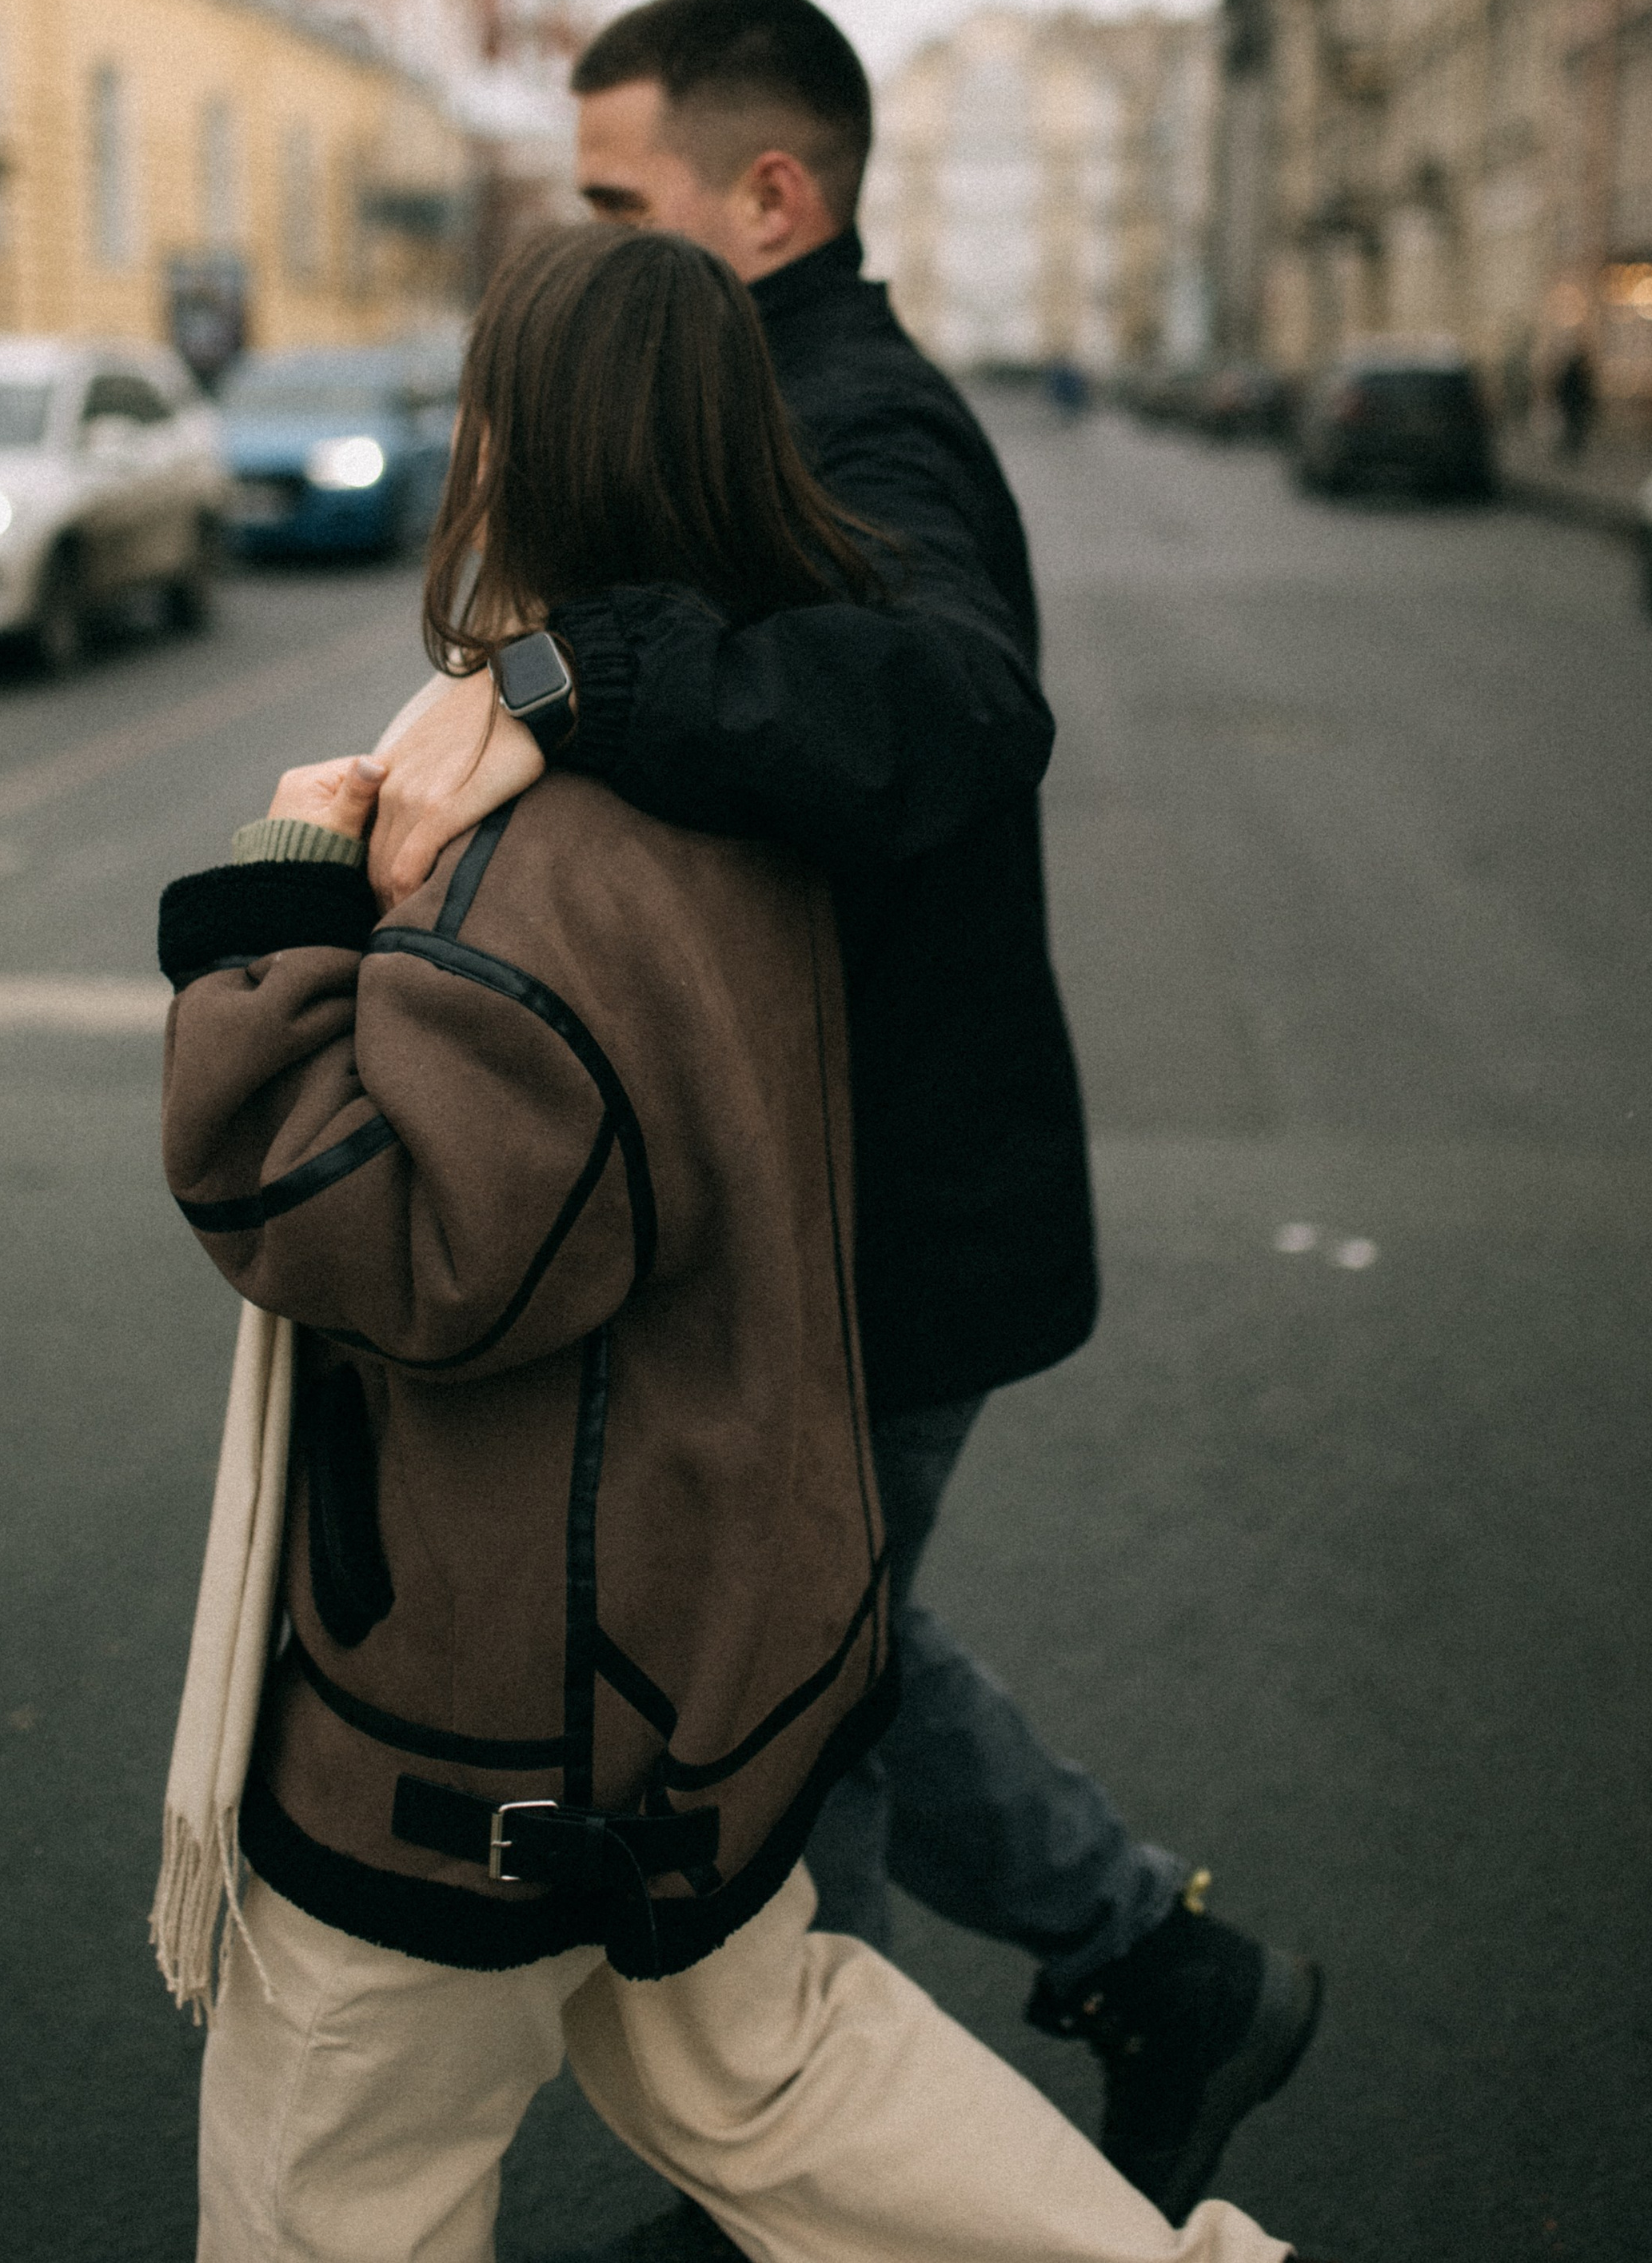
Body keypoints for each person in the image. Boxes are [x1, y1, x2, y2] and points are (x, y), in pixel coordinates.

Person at [153, 223, 1301, 2263]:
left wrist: (276, 904)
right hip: (670, 1650)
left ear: (513, 445)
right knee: (770, 2069)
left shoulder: (546, 844)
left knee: (328, 2185)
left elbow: (396, 1245)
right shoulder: (729, 774)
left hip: (483, 1696)